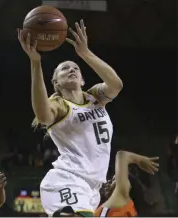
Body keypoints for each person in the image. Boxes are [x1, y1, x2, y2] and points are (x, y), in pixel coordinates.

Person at [17, 19, 123, 216]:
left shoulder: (96, 97)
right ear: (56, 82)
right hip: (66, 180)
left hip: (92, 189)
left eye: (75, 68)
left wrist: (85, 54)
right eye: (64, 69)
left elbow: (116, 85)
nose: (71, 69)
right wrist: (35, 62)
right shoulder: (60, 106)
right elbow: (42, 114)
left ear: (82, 80)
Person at [94, 151, 159, 217]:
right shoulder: (127, 210)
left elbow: (122, 155)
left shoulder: (121, 196)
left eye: (114, 180)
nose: (108, 181)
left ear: (127, 187)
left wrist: (140, 160)